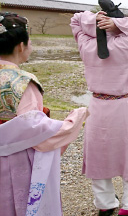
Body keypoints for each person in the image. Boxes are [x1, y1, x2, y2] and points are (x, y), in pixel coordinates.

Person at [70, 0, 128, 216]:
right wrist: (119, 24)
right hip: (122, 105)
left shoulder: (86, 44)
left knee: (97, 154)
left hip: (97, 105)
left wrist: (94, 19)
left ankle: (105, 204)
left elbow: (76, 20)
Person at [0, 12, 89, 216]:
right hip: (14, 157)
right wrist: (76, 118)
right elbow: (37, 133)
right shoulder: (20, 82)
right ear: (21, 45)